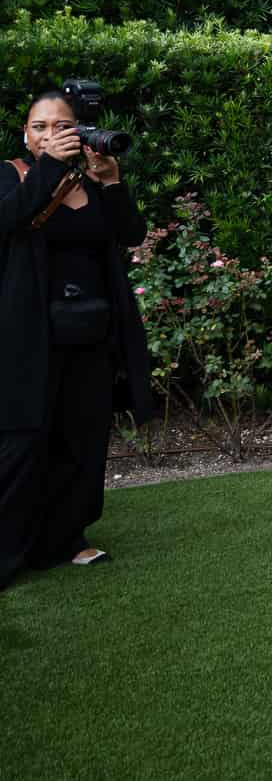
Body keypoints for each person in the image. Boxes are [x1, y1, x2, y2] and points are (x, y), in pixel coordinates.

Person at [0, 90, 156, 589]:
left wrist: (111, 183)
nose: (50, 134)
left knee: (82, 441)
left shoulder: (89, 180)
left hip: (91, 333)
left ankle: (64, 540)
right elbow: (9, 219)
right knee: (22, 442)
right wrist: (48, 167)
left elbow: (130, 234)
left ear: (79, 131)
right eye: (40, 126)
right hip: (28, 335)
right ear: (25, 136)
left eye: (61, 126)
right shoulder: (12, 175)